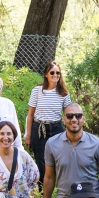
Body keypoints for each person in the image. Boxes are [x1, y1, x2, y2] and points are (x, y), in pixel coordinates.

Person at [42, 103, 99, 198]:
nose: (74, 119)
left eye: (78, 116)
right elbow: (49, 177)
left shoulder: (97, 144)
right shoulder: (52, 144)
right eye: (69, 116)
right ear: (63, 119)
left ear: (83, 119)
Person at [25, 61, 72, 189]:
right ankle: (43, 191)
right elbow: (30, 115)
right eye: (52, 72)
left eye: (58, 73)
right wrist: (28, 135)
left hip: (56, 129)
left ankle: (59, 190)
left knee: (58, 160)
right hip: (39, 129)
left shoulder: (64, 93)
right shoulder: (37, 91)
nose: (55, 75)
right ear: (46, 74)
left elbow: (69, 115)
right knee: (41, 161)